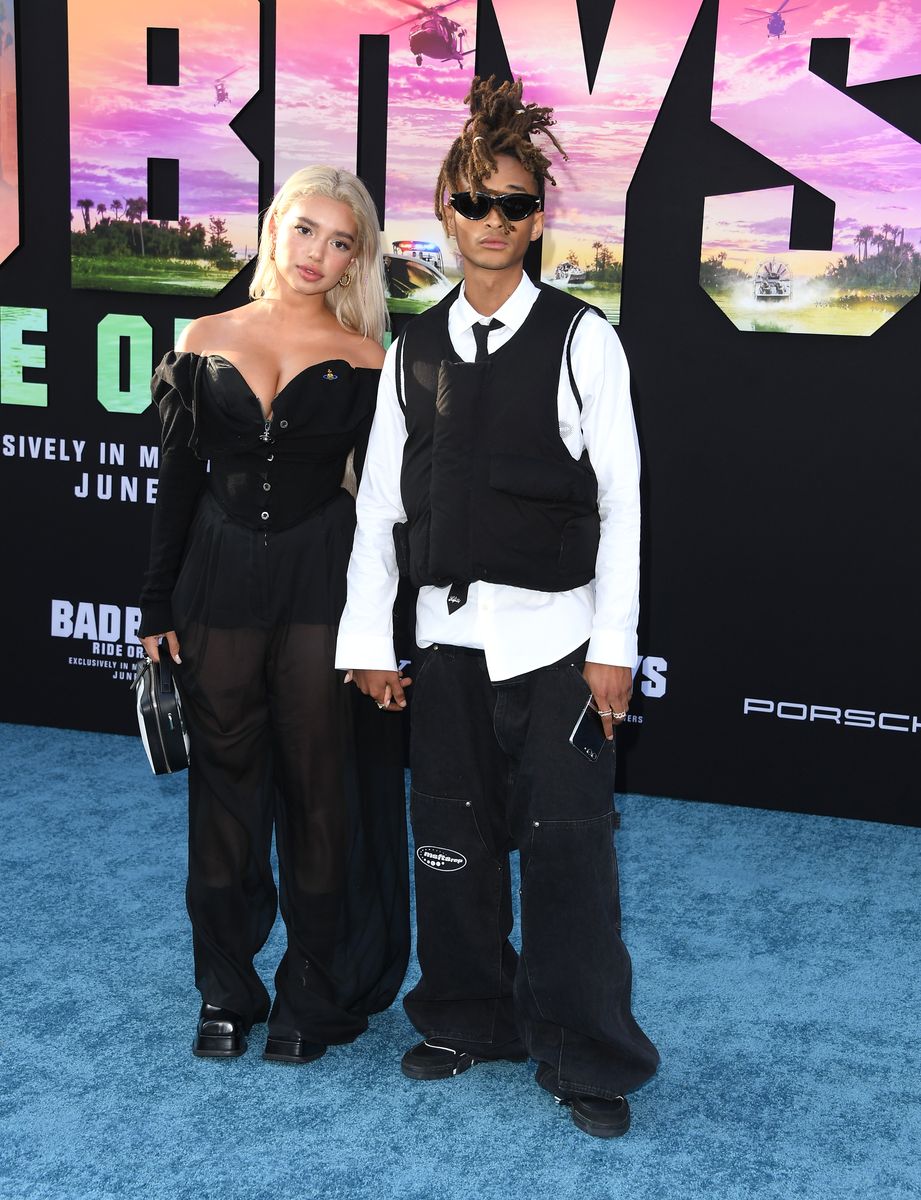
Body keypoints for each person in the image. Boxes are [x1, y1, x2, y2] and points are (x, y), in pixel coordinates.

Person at [336, 78, 659, 1137]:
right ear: (443, 209)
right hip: (446, 645)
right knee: (451, 843)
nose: (491, 223)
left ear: (537, 219)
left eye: (514, 205)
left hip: (560, 646)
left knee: (569, 858)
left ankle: (588, 1056)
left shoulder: (582, 341)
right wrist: (371, 640)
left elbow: (623, 504)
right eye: (473, 203)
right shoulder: (412, 351)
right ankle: (468, 1015)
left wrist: (614, 648)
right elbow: (382, 509)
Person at [138, 166, 409, 1064]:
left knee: (318, 790)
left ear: (355, 261)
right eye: (306, 231)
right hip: (215, 581)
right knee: (223, 792)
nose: (318, 255)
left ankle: (312, 994)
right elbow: (176, 482)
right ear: (272, 228)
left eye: (341, 243)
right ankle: (225, 990)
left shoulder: (370, 357)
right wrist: (154, 603)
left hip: (318, 582)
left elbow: (379, 508)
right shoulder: (204, 335)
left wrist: (378, 625)